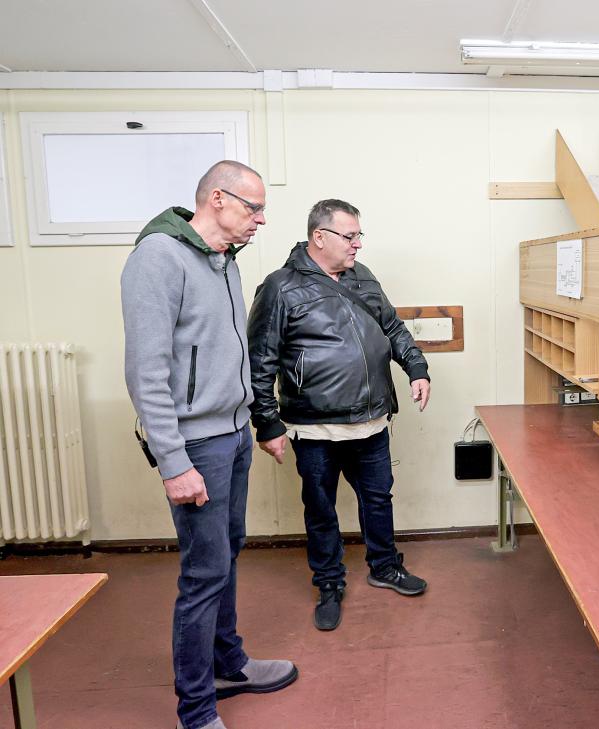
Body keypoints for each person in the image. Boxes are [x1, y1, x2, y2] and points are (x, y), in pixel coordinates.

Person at [121, 161, 298, 729]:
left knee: (228, 552)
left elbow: (225, 351)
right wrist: (174, 463)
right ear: (217, 199)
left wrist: (258, 424)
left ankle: (230, 663)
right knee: (203, 574)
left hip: (234, 434)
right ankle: (196, 710)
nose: (261, 220)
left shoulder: (223, 262)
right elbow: (146, 373)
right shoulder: (159, 258)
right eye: (253, 208)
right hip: (196, 445)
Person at [247, 198, 430, 632]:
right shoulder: (281, 288)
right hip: (314, 427)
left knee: (377, 498)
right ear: (319, 237)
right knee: (321, 509)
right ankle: (329, 584)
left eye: (359, 235)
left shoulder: (362, 278)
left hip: (371, 419)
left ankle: (385, 567)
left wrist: (416, 368)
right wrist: (267, 423)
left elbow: (393, 327)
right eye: (350, 236)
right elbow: (260, 361)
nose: (358, 245)